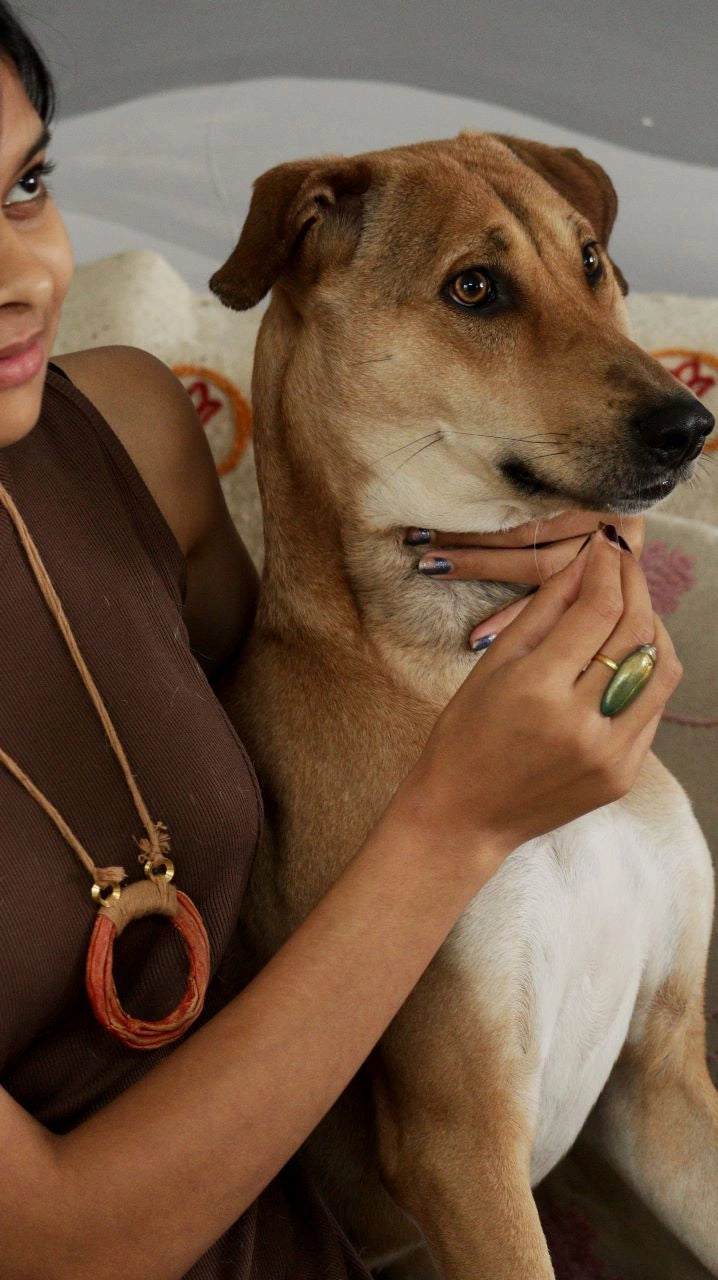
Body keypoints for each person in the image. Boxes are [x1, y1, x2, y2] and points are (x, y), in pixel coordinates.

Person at [0, 6, 681, 1278]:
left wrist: (571, 534)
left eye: (26, 183)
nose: (24, 274)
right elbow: (66, 1245)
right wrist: (456, 827)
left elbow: (306, 667)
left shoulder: (135, 437)